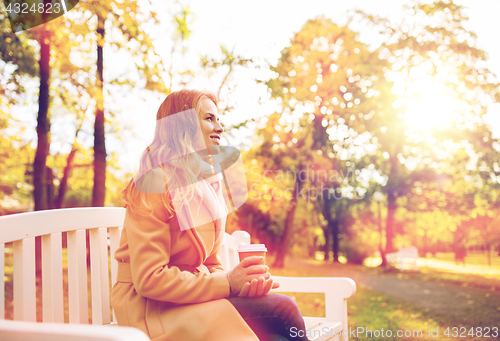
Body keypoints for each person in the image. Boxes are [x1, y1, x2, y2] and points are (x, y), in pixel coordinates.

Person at [111, 89, 308, 341]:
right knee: (283, 310)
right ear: (182, 126)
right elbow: (149, 279)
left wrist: (241, 285)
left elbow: (211, 262)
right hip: (150, 308)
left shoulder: (202, 184)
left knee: (276, 331)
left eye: (218, 119)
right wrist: (227, 283)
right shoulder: (154, 182)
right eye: (209, 118)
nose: (220, 127)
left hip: (187, 298)